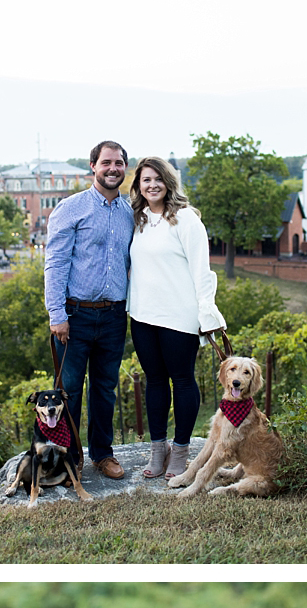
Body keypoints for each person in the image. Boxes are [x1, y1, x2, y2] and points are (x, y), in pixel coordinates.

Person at [126, 156, 226, 480]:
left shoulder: (185, 220)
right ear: (138, 185)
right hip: (142, 314)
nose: (152, 184)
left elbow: (202, 269)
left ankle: (180, 450)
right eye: (145, 180)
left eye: (157, 178)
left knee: (182, 381)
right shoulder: (136, 218)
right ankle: (159, 449)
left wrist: (206, 310)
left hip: (179, 316)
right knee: (154, 382)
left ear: (168, 182)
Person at [45, 141, 137, 480]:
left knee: (105, 389)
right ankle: (69, 460)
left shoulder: (131, 212)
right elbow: (55, 263)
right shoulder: (71, 209)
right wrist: (57, 316)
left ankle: (103, 455)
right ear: (93, 166)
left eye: (119, 163)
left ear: (125, 167)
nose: (113, 169)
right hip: (75, 316)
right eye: (106, 162)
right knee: (68, 392)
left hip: (114, 316)